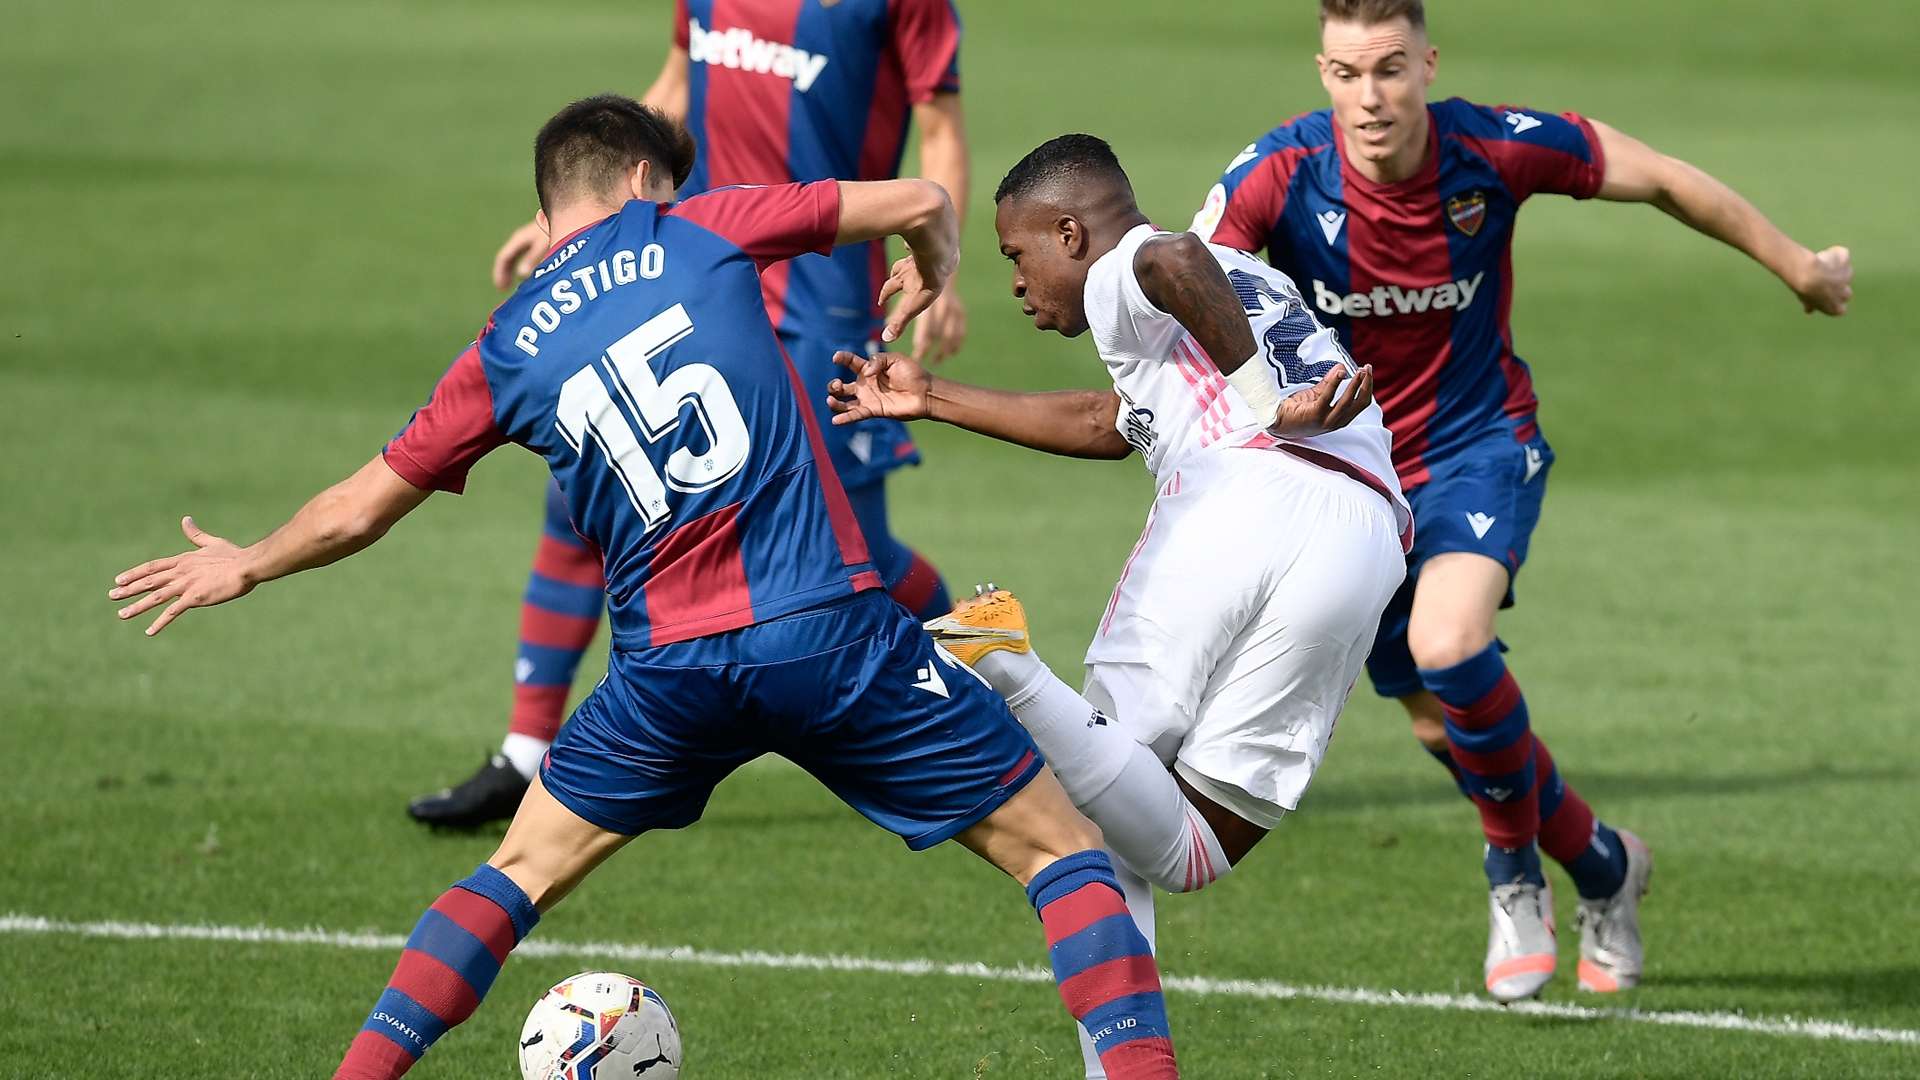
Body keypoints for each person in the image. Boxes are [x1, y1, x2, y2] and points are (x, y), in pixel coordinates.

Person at [108, 96, 1180, 1080]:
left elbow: (359, 507)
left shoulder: (503, 349)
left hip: (668, 672)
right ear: (636, 181)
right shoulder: (697, 225)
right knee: (1063, 851)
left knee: (512, 876)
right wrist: (930, 263)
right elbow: (923, 196)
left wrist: (246, 561)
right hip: (830, 633)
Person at [1189, 0, 1853, 1000]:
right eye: (1345, 73)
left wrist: (1797, 264)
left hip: (1477, 444)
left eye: (1390, 70)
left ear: (1427, 63)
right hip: (1350, 483)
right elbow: (1185, 277)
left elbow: (1663, 178)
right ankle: (1603, 867)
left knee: (1448, 648)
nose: (1368, 99)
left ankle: (1512, 877)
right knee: (1438, 720)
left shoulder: (1494, 147)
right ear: (1320, 70)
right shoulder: (1279, 174)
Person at [830, 133, 1406, 1079]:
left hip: (1241, 493)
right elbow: (1114, 421)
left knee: (1091, 793)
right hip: (1363, 533)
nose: (1018, 285)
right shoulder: (1243, 278)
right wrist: (932, 394)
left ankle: (1005, 664)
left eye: (1019, 256)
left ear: (1069, 231)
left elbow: (1165, 260)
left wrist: (1262, 401)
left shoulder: (1132, 268)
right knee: (1188, 844)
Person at [410, 0, 972, 827]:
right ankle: (527, 752)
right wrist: (585, 227)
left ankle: (994, 680)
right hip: (688, 278)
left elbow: (942, 131)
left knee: (853, 545)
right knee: (579, 503)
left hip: (821, 296)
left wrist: (943, 277)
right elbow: (673, 87)